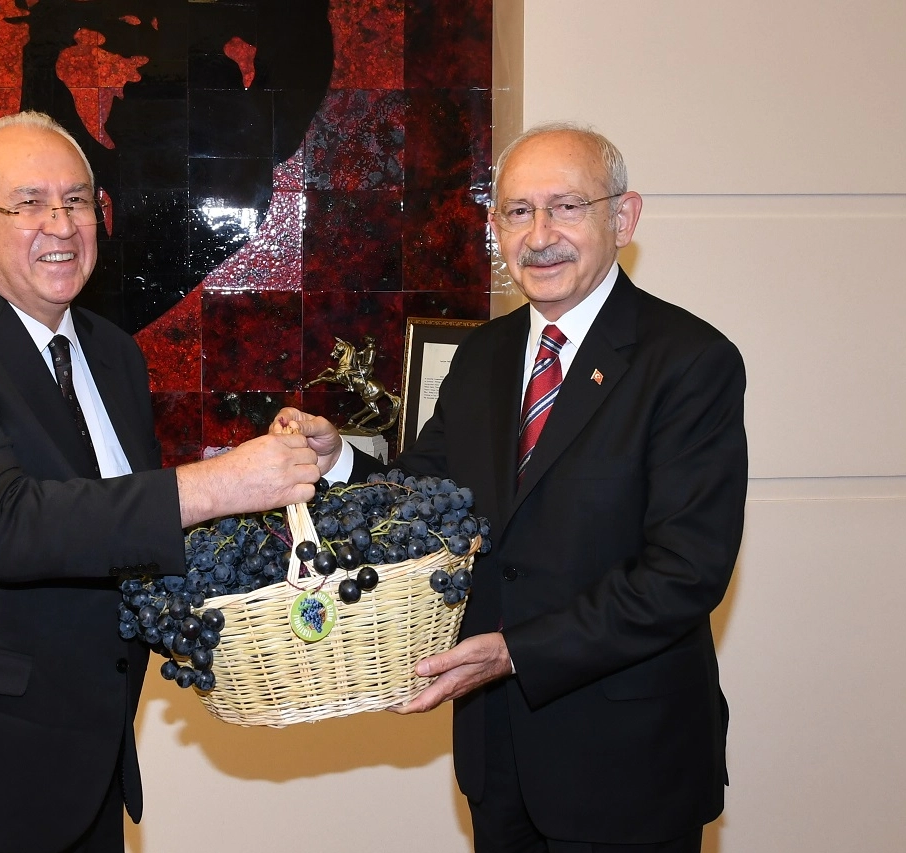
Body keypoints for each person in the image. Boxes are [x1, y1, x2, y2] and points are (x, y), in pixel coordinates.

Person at [0, 110, 322, 853]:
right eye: (28, 203)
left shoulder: (112, 353)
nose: (61, 225)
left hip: (88, 764)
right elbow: (5, 524)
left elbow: (124, 532)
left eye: (76, 201)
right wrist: (222, 483)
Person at [279, 123, 747, 852]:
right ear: (495, 226)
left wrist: (516, 650)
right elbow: (427, 494)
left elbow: (685, 573)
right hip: (497, 757)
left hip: (628, 762)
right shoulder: (481, 354)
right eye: (518, 211)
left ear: (623, 218)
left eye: (566, 207)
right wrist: (339, 459)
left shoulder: (689, 361)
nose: (540, 235)